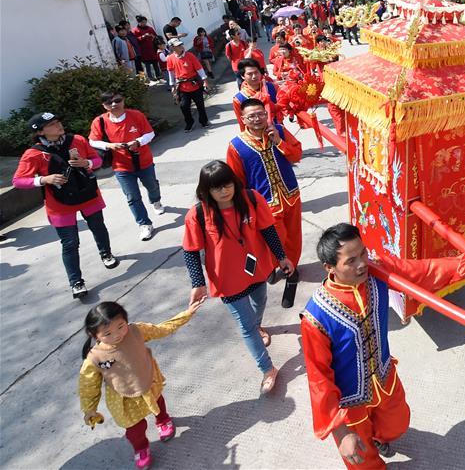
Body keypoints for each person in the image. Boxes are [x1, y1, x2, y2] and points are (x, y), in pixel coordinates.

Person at [301, 223, 465, 469]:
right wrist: (341, 432)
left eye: (362, 253)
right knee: (362, 461)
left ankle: (379, 436)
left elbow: (422, 271)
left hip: (385, 378)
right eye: (350, 261)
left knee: (397, 424)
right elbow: (318, 378)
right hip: (348, 403)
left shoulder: (377, 272)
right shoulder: (316, 317)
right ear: (329, 267)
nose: (362, 263)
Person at [183, 161, 293, 393]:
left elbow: (268, 230)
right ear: (206, 191)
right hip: (227, 280)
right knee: (246, 327)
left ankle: (259, 325)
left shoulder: (252, 200)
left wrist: (282, 257)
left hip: (257, 270)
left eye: (227, 185)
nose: (224, 191)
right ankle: (267, 369)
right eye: (217, 188)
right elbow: (191, 250)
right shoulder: (199, 214)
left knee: (259, 302)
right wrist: (197, 283)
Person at [79, 300, 201, 469]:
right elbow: (88, 386)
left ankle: (163, 420)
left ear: (126, 320)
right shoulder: (94, 358)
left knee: (158, 402)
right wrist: (89, 409)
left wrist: (186, 314)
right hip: (124, 398)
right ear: (94, 335)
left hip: (148, 381)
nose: (117, 335)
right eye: (107, 333)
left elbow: (161, 329)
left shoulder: (136, 330)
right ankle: (141, 448)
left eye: (121, 326)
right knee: (135, 430)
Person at [12, 113, 118, 298]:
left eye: (58, 121)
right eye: (52, 124)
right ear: (40, 132)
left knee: (98, 227)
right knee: (70, 243)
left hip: (88, 195)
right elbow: (18, 181)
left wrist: (87, 163)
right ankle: (76, 282)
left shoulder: (76, 139)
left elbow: (99, 160)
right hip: (60, 203)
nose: (59, 125)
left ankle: (106, 254)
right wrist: (44, 179)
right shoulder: (34, 154)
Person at [227, 98, 303, 308]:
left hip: (291, 195)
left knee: (294, 237)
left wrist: (279, 141)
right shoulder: (236, 146)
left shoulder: (278, 130)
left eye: (261, 114)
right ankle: (272, 265)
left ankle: (292, 270)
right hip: (265, 205)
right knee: (275, 240)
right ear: (243, 119)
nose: (257, 119)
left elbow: (296, 155)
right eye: (251, 116)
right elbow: (237, 181)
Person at [89, 92, 166, 241]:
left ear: (123, 101)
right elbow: (92, 141)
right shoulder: (99, 121)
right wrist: (109, 145)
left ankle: (156, 201)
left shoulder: (136, 115)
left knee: (152, 186)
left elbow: (150, 133)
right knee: (132, 197)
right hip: (121, 166)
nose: (113, 104)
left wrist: (138, 142)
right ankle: (144, 224)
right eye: (108, 102)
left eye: (117, 100)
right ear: (103, 106)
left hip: (144, 161)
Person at [166, 38, 210, 132]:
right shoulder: (170, 58)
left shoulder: (190, 55)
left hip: (194, 84)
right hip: (182, 87)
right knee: (184, 106)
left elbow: (199, 69)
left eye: (181, 44)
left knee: (200, 104)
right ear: (173, 47)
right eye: (178, 45)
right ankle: (189, 123)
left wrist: (205, 81)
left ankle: (204, 121)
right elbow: (171, 73)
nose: (181, 46)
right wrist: (172, 86)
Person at [232, 59, 281, 131]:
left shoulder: (272, 87)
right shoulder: (239, 99)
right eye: (249, 74)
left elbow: (283, 107)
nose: (254, 76)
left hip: (277, 130)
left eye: (256, 72)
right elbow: (242, 123)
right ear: (242, 76)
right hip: (256, 135)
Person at [133, 16, 161, 83]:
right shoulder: (135, 30)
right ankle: (150, 77)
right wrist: (143, 36)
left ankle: (158, 75)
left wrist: (153, 36)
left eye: (145, 22)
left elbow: (155, 36)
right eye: (142, 22)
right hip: (144, 50)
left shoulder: (150, 28)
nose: (144, 23)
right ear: (139, 22)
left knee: (155, 63)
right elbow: (135, 40)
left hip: (152, 49)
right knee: (147, 64)